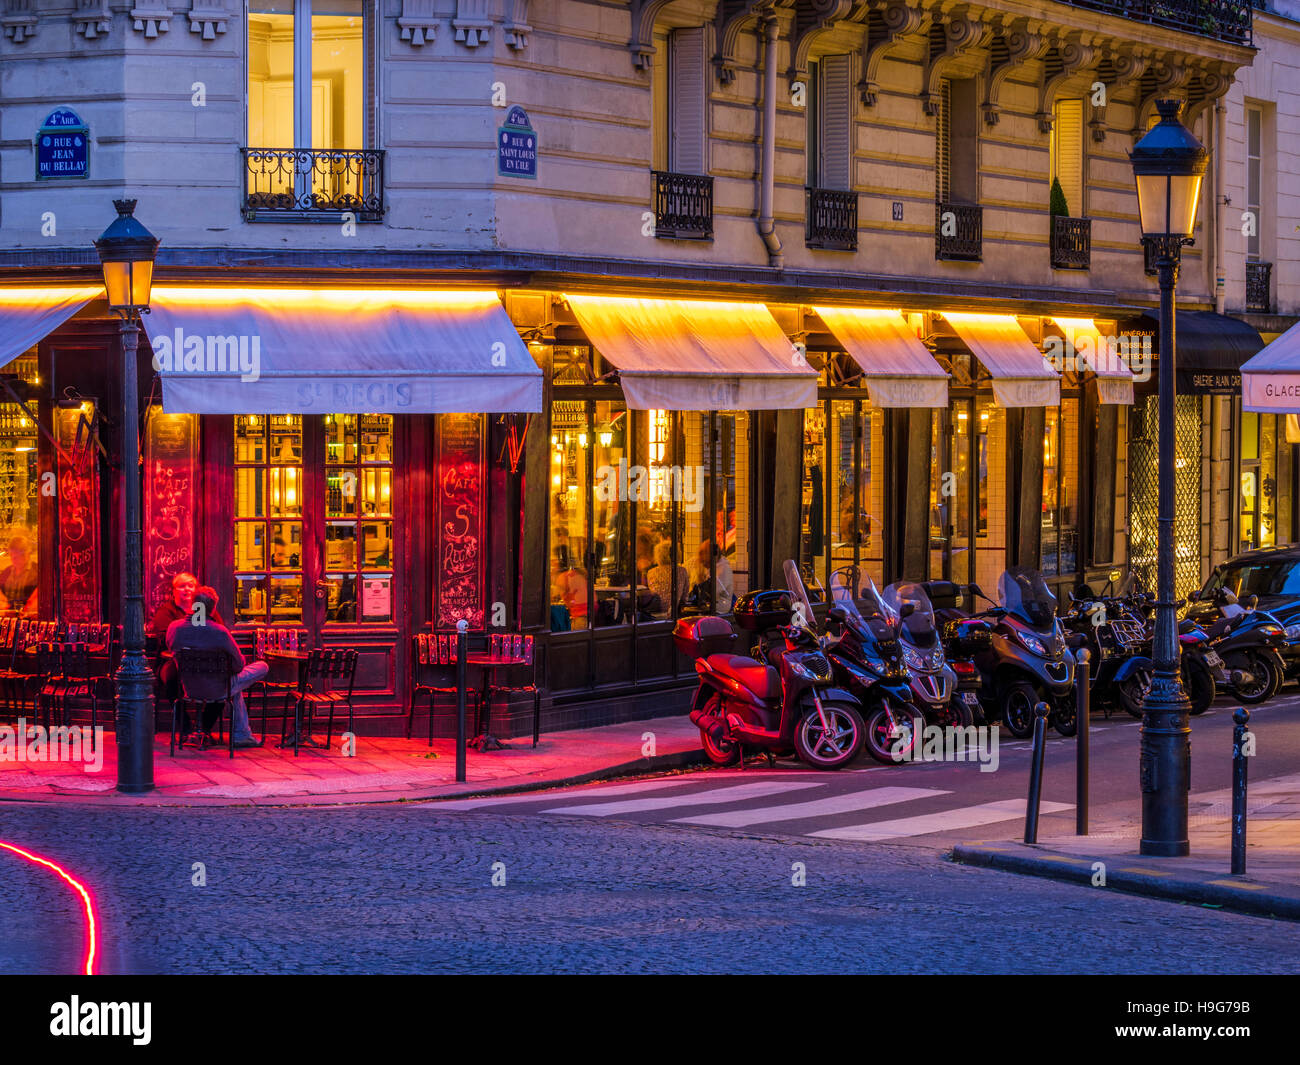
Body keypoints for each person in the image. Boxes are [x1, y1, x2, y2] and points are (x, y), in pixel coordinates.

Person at [167, 586, 268, 748]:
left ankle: (242, 734)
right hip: (219, 690)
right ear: (213, 609)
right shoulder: (219, 632)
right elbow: (239, 665)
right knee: (262, 666)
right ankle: (241, 735)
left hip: (189, 688)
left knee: (236, 688)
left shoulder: (174, 628)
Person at [646, 541, 689, 617]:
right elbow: (684, 598)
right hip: (674, 614)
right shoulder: (682, 571)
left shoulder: (651, 572)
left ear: (658, 555)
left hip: (654, 615)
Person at [0, 535, 38, 616]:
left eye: (16, 557)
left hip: (28, 617)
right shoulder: (7, 571)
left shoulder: (37, 572)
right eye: (11, 556)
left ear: (26, 554)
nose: (12, 559)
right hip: (9, 616)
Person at [694, 539, 734, 612]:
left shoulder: (723, 569)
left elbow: (713, 592)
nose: (703, 564)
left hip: (719, 609)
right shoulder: (713, 568)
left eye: (704, 562)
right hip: (713, 606)